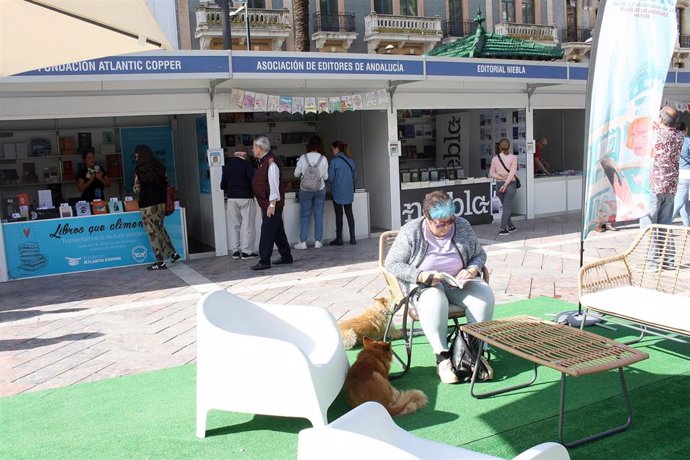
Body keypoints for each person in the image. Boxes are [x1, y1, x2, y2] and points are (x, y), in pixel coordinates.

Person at [384, 190, 495, 384]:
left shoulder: (462, 225)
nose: (446, 226)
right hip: (425, 285)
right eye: (440, 223)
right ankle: (442, 358)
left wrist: (472, 269)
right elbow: (392, 264)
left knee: (484, 294)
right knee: (434, 299)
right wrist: (420, 275)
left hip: (457, 283)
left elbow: (479, 254)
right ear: (427, 217)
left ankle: (472, 352)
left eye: (450, 220)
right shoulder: (411, 231)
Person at [133, 145, 180, 270]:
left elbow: (136, 189)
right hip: (161, 204)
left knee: (153, 233)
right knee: (160, 229)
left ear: (141, 155)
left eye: (136, 155)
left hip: (147, 205)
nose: (136, 158)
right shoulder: (161, 168)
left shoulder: (139, 170)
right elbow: (166, 183)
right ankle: (173, 253)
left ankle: (160, 262)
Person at [250, 135, 293, 270]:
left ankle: (264, 260)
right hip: (268, 203)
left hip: (271, 204)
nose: (252, 149)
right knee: (278, 230)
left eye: (254, 147)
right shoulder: (264, 161)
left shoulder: (271, 163)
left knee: (267, 231)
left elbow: (274, 185)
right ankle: (286, 256)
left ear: (260, 148)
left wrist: (272, 205)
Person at [640, 106, 684, 228]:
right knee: (664, 226)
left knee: (649, 226)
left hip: (655, 185)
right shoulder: (680, 135)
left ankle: (651, 248)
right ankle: (662, 247)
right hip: (671, 185)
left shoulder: (655, 135)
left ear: (661, 119)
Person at [220, 150, 258, 260]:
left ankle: (235, 251)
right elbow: (254, 181)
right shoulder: (247, 165)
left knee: (235, 225)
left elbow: (222, 185)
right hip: (246, 197)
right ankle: (246, 252)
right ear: (245, 154)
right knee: (248, 225)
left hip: (232, 198)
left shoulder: (227, 166)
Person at [293, 136, 329, 250]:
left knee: (304, 215)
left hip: (305, 190)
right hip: (320, 189)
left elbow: (296, 174)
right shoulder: (323, 159)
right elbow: (326, 176)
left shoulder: (303, 158)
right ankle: (318, 241)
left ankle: (303, 242)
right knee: (319, 215)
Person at [327, 140, 356, 245]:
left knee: (339, 215)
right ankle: (353, 238)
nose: (331, 151)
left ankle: (339, 238)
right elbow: (354, 177)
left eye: (332, 149)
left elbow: (330, 178)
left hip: (337, 191)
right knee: (349, 214)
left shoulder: (334, 162)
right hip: (348, 191)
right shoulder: (351, 161)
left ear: (336, 149)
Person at [489, 138, 518, 236]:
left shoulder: (494, 158)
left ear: (500, 147)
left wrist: (500, 176)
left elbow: (491, 173)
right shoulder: (513, 157)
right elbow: (512, 173)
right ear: (509, 146)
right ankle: (502, 228)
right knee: (507, 207)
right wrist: (506, 184)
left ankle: (510, 225)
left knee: (506, 206)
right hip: (509, 184)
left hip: (499, 184)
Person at [672, 121, 690, 226]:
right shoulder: (687, 141)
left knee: (683, 201)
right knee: (679, 201)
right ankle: (665, 224)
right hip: (687, 173)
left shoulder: (673, 141)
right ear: (684, 130)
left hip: (677, 173)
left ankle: (687, 225)